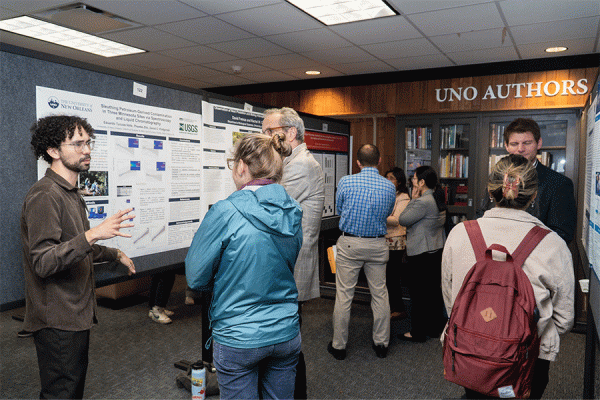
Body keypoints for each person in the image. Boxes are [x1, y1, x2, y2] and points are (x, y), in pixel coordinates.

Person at [441, 154, 574, 399]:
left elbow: (451, 300)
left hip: (470, 352)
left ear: (491, 192)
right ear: (535, 195)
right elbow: (564, 319)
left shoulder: (459, 233)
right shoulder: (553, 244)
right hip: (527, 358)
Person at [22, 115, 136, 399]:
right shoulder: (45, 195)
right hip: (57, 317)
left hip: (74, 313)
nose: (87, 150)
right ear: (53, 151)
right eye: (77, 143)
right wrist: (93, 234)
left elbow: (76, 245)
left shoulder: (70, 193)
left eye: (88, 142)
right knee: (61, 393)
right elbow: (43, 261)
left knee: (70, 390)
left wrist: (113, 252)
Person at [185, 132, 303, 400]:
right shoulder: (293, 210)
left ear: (241, 166)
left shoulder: (225, 211)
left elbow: (195, 275)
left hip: (238, 336)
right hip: (285, 330)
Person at [262, 107, 324, 398]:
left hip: (291, 263)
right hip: (285, 260)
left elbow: (269, 207)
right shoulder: (292, 161)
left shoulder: (300, 165)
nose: (264, 137)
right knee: (285, 339)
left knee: (287, 341)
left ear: (290, 133)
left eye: (268, 131)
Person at [328, 144, 396, 360]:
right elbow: (389, 212)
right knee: (380, 294)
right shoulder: (389, 186)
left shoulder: (346, 182)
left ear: (357, 162)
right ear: (379, 161)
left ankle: (339, 346)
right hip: (377, 245)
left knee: (344, 295)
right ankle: (381, 344)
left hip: (350, 244)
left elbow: (340, 208)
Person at [479, 118, 576, 243]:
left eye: (527, 142)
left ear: (539, 143)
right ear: (506, 146)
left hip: (534, 258)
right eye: (514, 144)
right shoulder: (496, 177)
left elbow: (562, 234)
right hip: (493, 252)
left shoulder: (560, 184)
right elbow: (481, 213)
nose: (520, 149)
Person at [397, 166, 447, 342]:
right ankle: (434, 328)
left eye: (415, 178)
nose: (412, 181)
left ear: (422, 182)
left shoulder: (422, 201)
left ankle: (417, 332)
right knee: (432, 292)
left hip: (420, 252)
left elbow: (403, 219)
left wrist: (414, 198)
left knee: (418, 294)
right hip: (435, 251)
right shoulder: (438, 197)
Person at [384, 167, 410, 320]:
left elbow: (397, 220)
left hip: (395, 241)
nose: (388, 180)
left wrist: (378, 215)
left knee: (392, 276)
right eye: (386, 177)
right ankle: (391, 306)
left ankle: (399, 308)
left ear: (399, 181)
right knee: (387, 277)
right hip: (385, 239)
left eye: (392, 178)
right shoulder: (388, 194)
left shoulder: (403, 197)